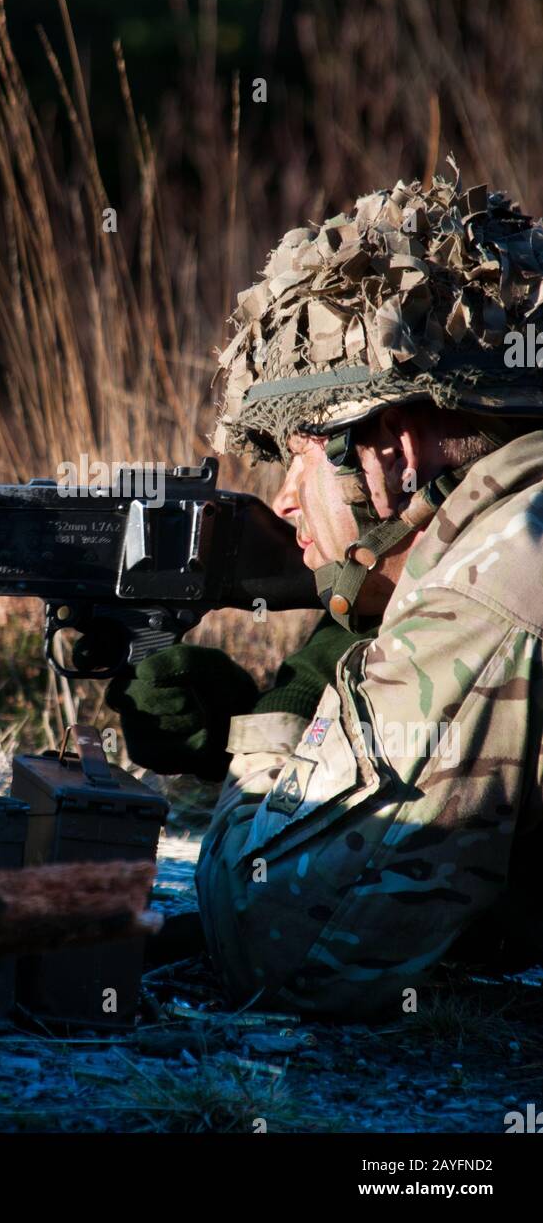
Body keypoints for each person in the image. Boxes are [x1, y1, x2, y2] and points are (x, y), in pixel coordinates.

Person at [106, 164, 543, 1017]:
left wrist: (284, 717)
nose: (280, 502)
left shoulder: (499, 576)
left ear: (393, 446)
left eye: (297, 455)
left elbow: (284, 944)